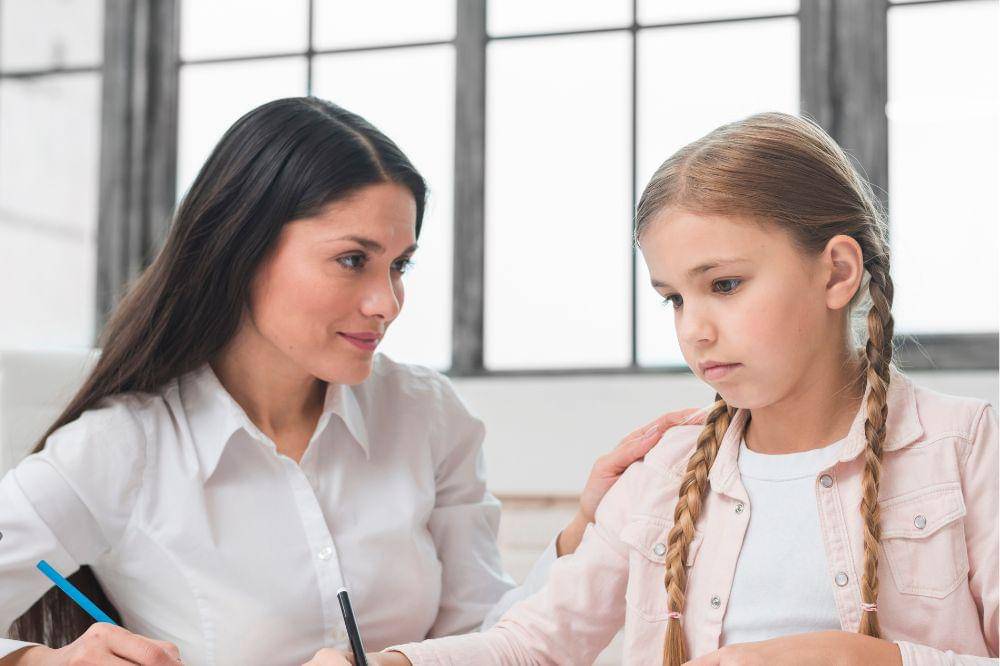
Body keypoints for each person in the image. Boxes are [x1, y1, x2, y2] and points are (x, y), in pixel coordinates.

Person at [0, 97, 702, 666]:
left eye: (399, 265)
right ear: (242, 249)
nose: (386, 303)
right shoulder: (121, 447)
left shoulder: (425, 416)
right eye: (352, 260)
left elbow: (488, 637)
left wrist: (584, 530)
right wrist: (41, 662)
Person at [330, 112, 998, 665]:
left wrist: (874, 660)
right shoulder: (664, 473)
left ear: (837, 272)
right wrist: (393, 664)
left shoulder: (967, 450)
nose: (695, 330)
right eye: (674, 298)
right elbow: (533, 644)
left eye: (725, 285)